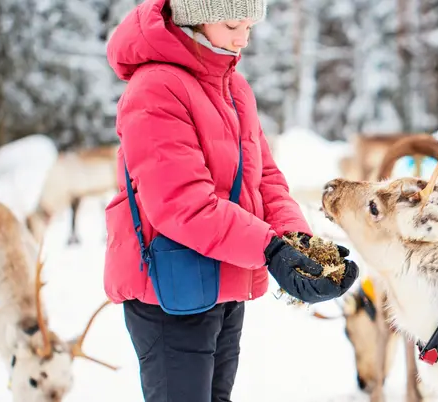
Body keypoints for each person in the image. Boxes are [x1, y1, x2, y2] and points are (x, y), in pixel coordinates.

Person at [102, 0, 358, 400]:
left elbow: (265, 179)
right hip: (170, 287)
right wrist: (270, 249)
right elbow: (182, 202)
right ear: (194, 17)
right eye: (231, 25)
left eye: (249, 27)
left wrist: (298, 243)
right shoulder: (155, 88)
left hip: (223, 277)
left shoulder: (232, 86)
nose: (242, 39)